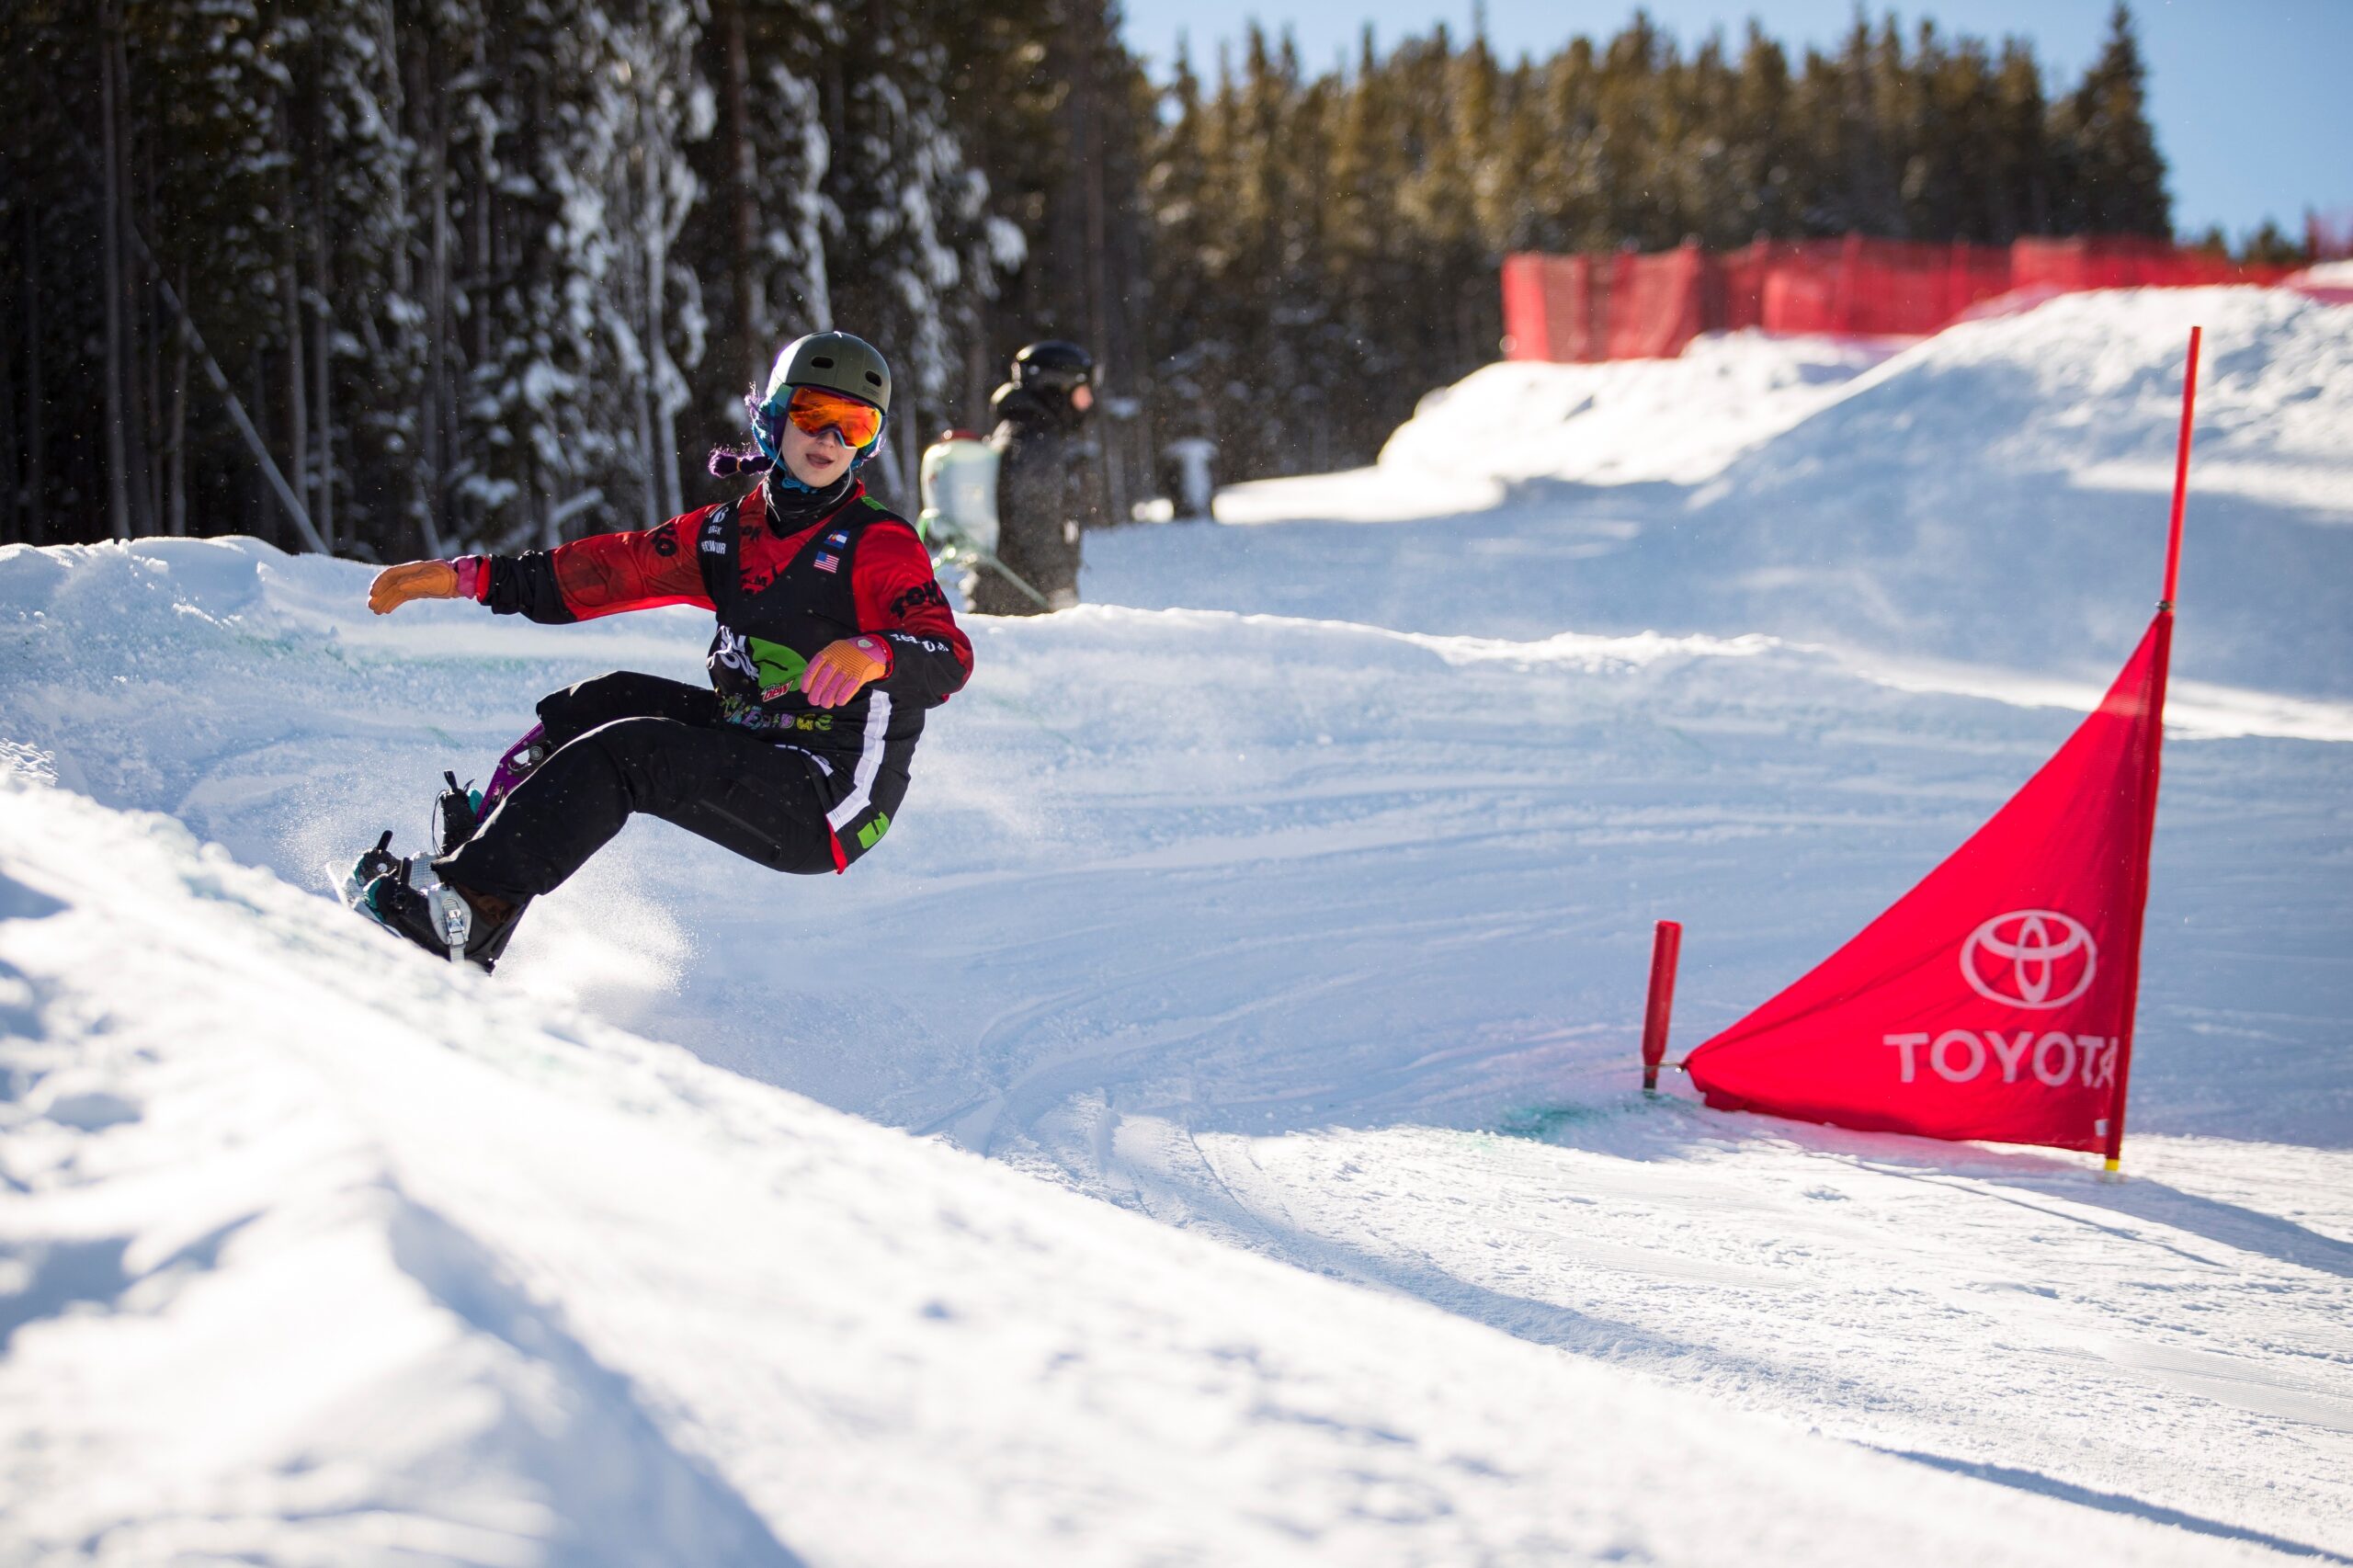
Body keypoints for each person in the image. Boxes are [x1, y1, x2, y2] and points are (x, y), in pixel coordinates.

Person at [357, 330, 972, 966]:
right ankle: (467, 864)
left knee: (632, 755)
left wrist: (876, 651)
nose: (830, 440)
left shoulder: (878, 543)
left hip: (831, 789)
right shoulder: (731, 534)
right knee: (602, 700)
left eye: (855, 424)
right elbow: (606, 570)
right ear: (776, 416)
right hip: (759, 731)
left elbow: (946, 653)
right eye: (815, 414)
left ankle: (472, 912)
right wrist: (468, 577)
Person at [972, 340, 1108, 615]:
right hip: (1023, 597)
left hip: (1004, 588)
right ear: (1058, 386)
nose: (1089, 402)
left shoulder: (1018, 431)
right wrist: (1059, 588)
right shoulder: (1037, 439)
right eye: (1083, 392)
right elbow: (1035, 519)